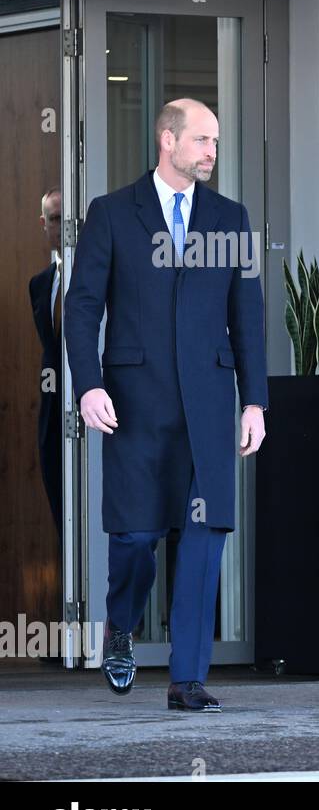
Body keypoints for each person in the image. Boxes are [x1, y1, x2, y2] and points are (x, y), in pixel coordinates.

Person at [64, 98, 268, 712]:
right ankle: (121, 624)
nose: (211, 151)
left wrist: (254, 401)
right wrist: (88, 383)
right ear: (167, 140)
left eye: (216, 141)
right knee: (134, 535)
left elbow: (248, 317)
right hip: (132, 402)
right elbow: (81, 307)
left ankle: (188, 679)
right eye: (202, 140)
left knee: (203, 536)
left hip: (208, 406)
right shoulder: (110, 214)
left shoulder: (233, 220)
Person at [28, 187, 63, 531]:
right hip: (53, 415)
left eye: (68, 219)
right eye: (55, 219)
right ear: (44, 223)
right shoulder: (39, 285)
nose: (63, 227)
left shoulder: (99, 277)